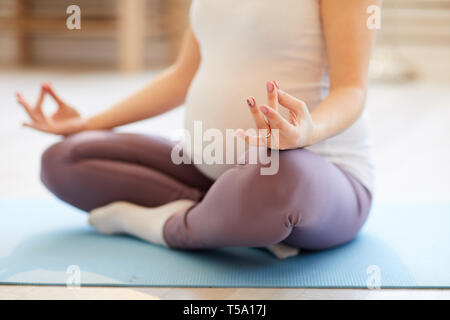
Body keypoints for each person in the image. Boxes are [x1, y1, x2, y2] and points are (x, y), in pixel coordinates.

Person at [16, 0, 378, 254]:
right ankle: (232, 216)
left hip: (315, 174)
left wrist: (306, 132)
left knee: (280, 178)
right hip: (210, 171)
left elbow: (352, 88)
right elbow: (181, 77)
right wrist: (87, 123)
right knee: (65, 159)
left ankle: (167, 228)